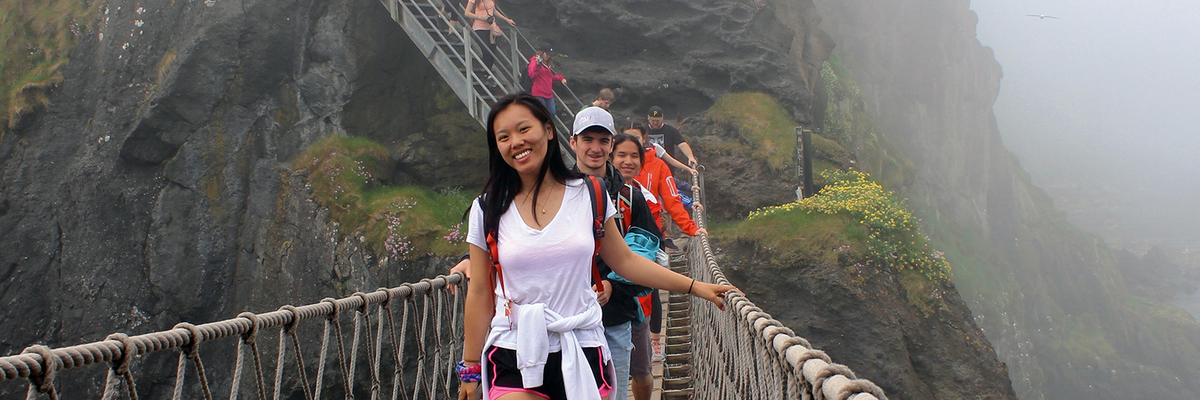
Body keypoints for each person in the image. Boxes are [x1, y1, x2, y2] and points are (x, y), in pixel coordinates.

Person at [456, 94, 733, 400]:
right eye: (504, 137)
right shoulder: (487, 208)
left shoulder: (591, 194)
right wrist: (470, 367)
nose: (516, 142)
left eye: (524, 129)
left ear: (548, 130)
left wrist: (696, 287)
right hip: (514, 347)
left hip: (582, 345)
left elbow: (626, 261)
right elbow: (481, 291)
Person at [569, 107, 663, 400]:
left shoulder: (631, 197)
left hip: (614, 315)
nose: (595, 148)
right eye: (587, 139)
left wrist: (613, 284)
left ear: (611, 146)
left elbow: (646, 251)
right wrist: (473, 258)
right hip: (565, 318)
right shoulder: (554, 190)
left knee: (615, 396)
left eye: (602, 140)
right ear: (573, 142)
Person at [609, 133, 661, 400]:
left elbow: (650, 245)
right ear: (610, 156)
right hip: (594, 298)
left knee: (640, 370)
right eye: (621, 155)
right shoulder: (580, 192)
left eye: (634, 156)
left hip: (633, 298)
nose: (628, 161)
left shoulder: (639, 198)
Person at [465, 0, 514, 84]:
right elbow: (467, 13)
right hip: (479, 27)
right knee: (485, 50)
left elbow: (493, 10)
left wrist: (506, 19)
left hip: (491, 28)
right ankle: (488, 75)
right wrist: (481, 17)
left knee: (492, 50)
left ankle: (487, 73)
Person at [529, 43, 566, 116]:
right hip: (538, 93)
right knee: (542, 112)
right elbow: (532, 74)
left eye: (550, 54)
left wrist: (560, 78)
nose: (548, 56)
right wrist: (537, 65)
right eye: (547, 54)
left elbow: (548, 77)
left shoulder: (546, 63)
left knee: (552, 112)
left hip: (548, 94)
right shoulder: (534, 60)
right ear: (542, 52)